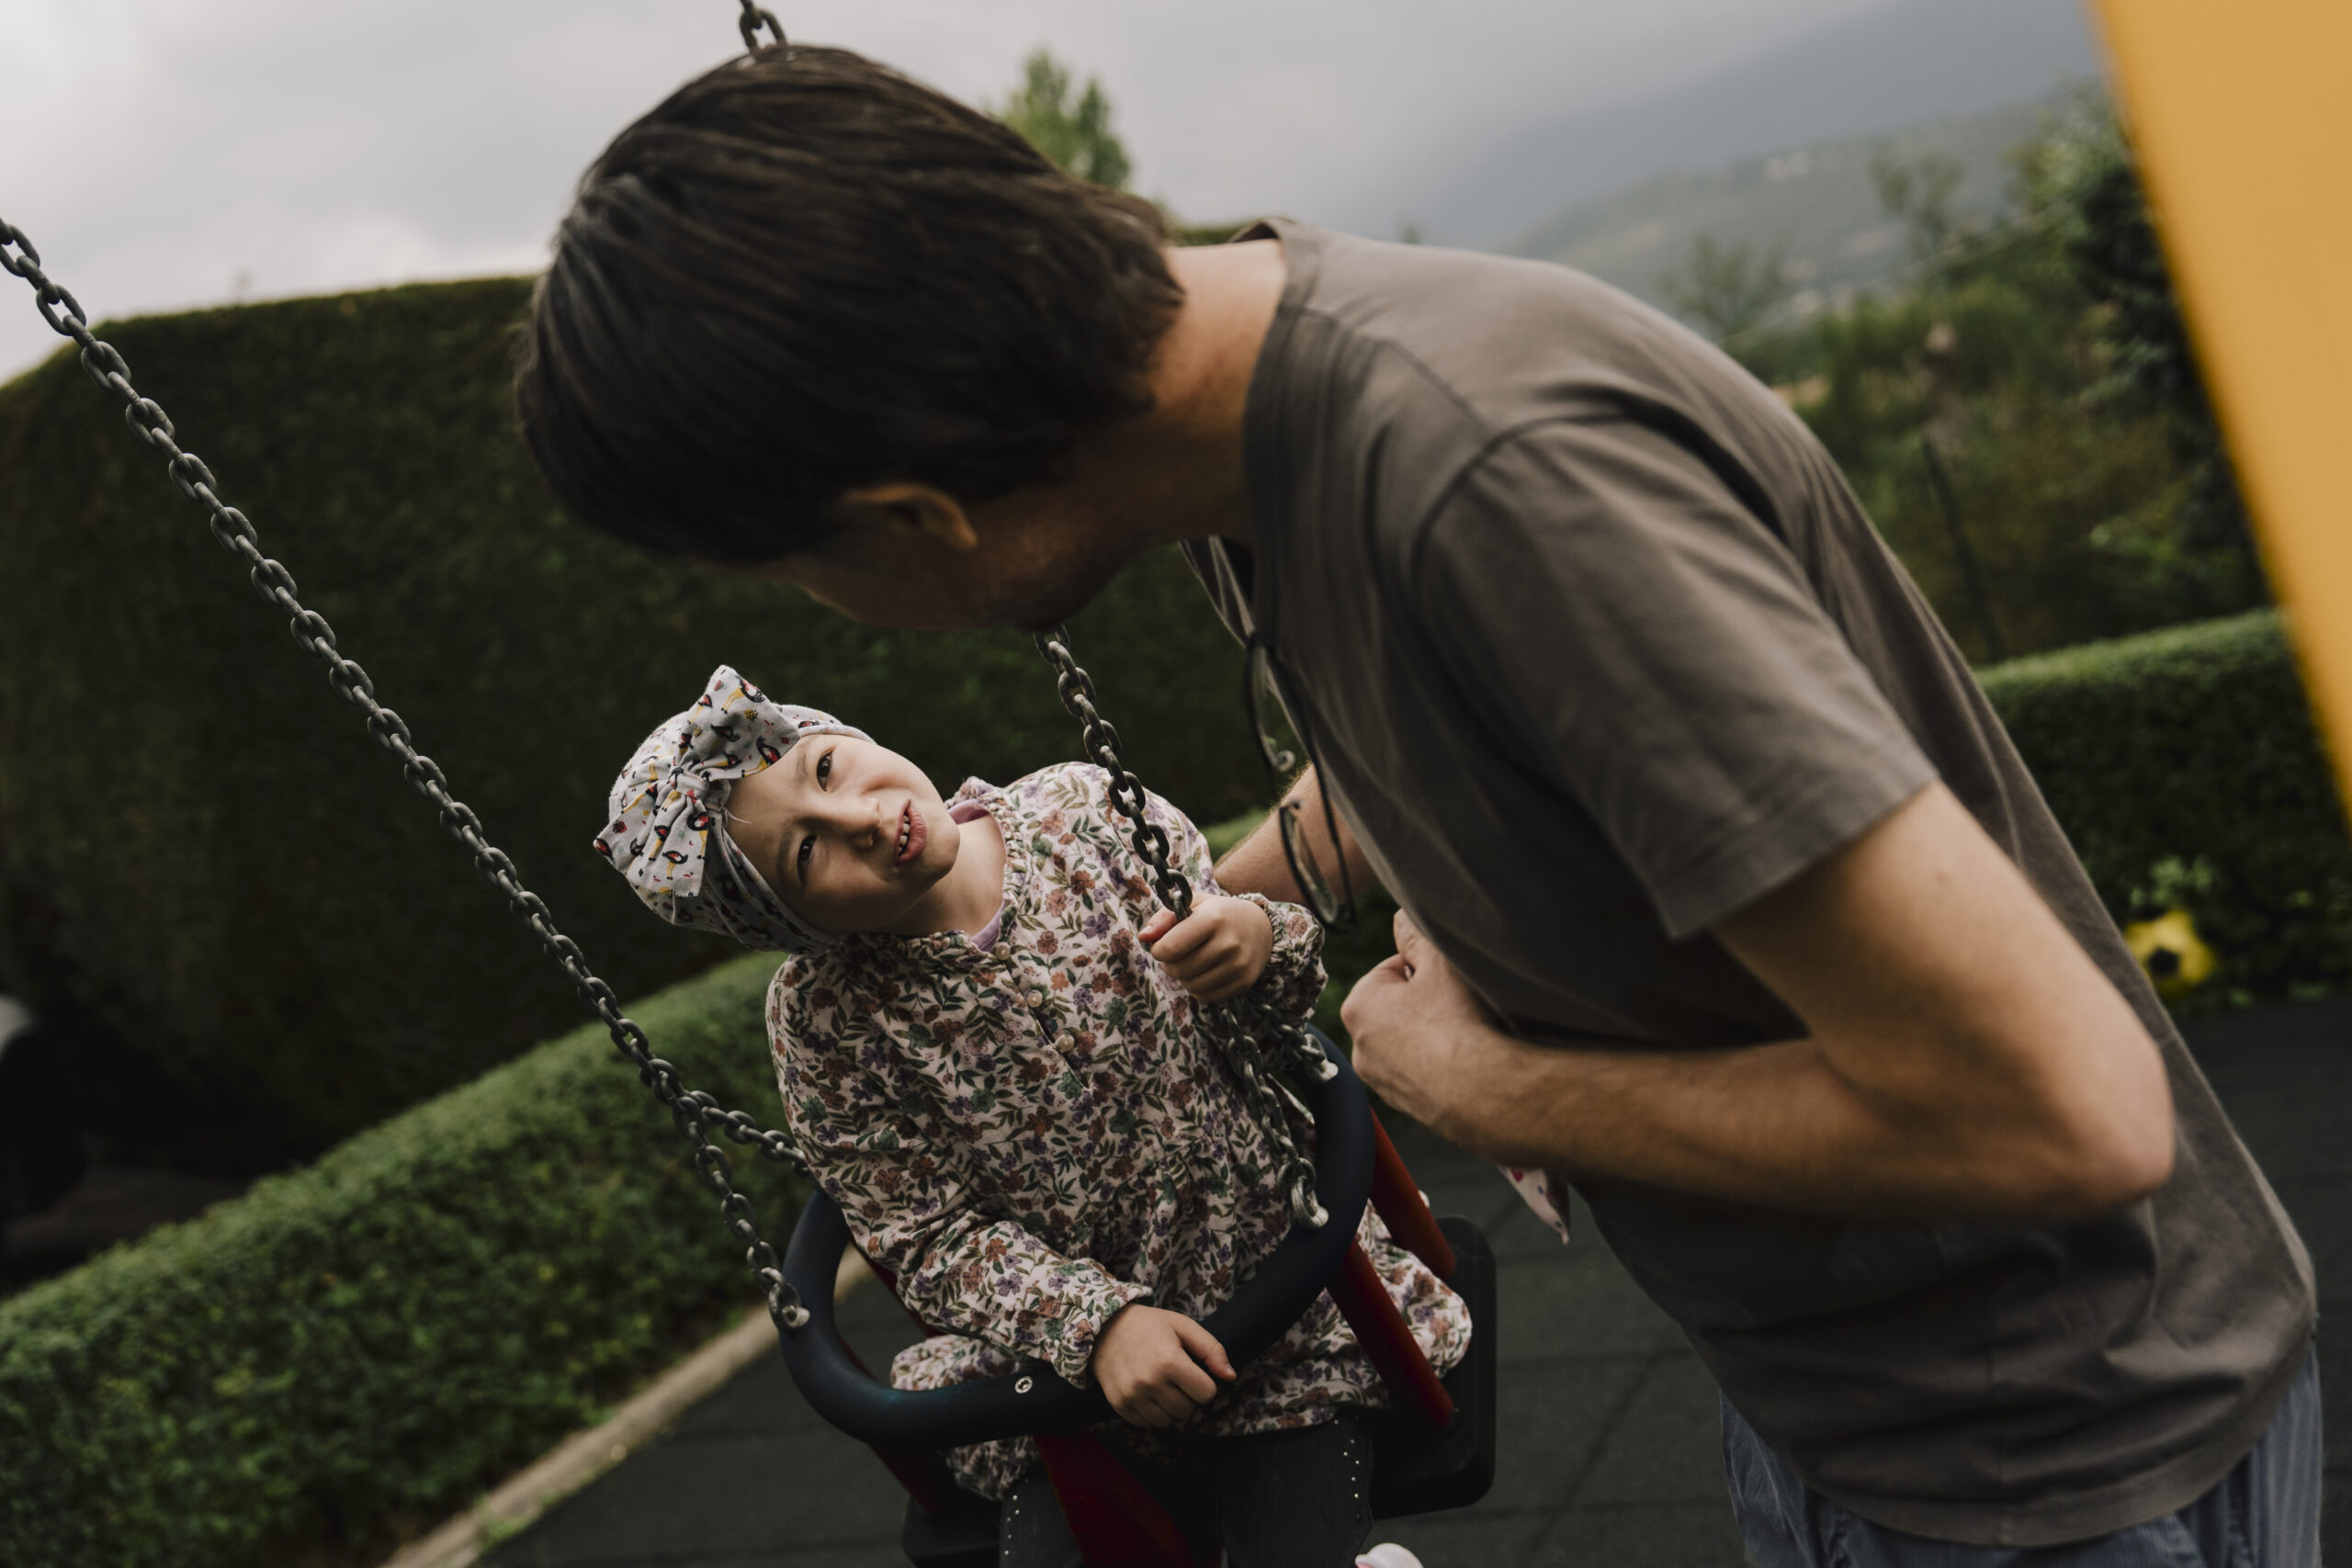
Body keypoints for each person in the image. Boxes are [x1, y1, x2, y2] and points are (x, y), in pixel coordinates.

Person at [518, 44, 2320, 1567]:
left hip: (2037, 1445)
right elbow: (1462, 736)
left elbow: (2062, 1115)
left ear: (915, 516)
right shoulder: (1262, 446)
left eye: (797, 577)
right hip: (1853, 1383)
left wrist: (1487, 1080)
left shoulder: (1487, 485)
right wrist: (1124, 951)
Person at [594, 665, 1468, 1568]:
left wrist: (1253, 938)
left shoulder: (1081, 814)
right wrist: (1094, 1325)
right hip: (1065, 1367)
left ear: (843, 734)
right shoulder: (825, 1024)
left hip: (1269, 1293)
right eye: (806, 856)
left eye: (823, 772)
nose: (859, 819)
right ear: (787, 923)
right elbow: (924, 1235)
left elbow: (1273, 1007)